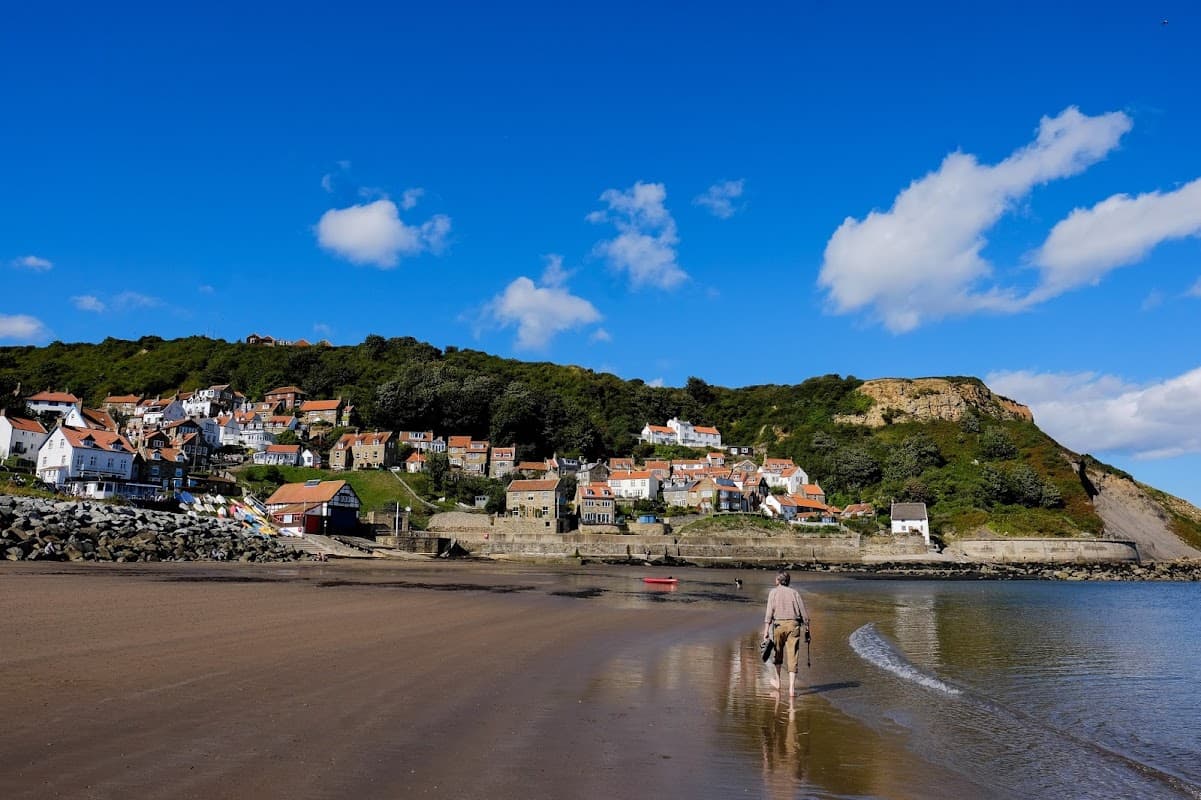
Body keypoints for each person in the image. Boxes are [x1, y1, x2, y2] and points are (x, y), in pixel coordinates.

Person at [762, 571, 810, 696]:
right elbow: (804, 613)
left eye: (776, 579)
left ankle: (778, 682)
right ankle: (791, 689)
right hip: (794, 626)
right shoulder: (795, 593)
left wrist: (766, 631)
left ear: (778, 580)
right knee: (793, 656)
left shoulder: (773, 592)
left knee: (778, 653)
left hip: (778, 626)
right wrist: (807, 629)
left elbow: (769, 614)